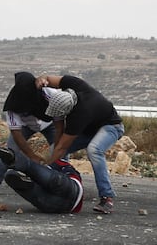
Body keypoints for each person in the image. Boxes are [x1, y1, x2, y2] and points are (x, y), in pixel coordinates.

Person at [35, 74, 124, 214]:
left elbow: (63, 146)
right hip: (90, 129)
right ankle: (59, 186)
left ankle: (107, 198)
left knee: (94, 150)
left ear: (68, 111)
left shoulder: (80, 116)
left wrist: (42, 168)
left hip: (111, 127)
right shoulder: (73, 83)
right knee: (54, 149)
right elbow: (48, 78)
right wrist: (41, 79)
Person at [0, 72, 57, 205]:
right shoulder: (12, 105)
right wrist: (32, 156)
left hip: (52, 124)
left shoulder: (49, 94)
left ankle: (61, 188)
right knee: (7, 155)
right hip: (26, 127)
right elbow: (16, 133)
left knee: (61, 155)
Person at [0, 143, 83, 213]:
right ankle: (14, 161)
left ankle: (14, 159)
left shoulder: (55, 162)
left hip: (55, 204)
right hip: (72, 200)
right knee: (37, 175)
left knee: (25, 176)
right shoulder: (62, 164)